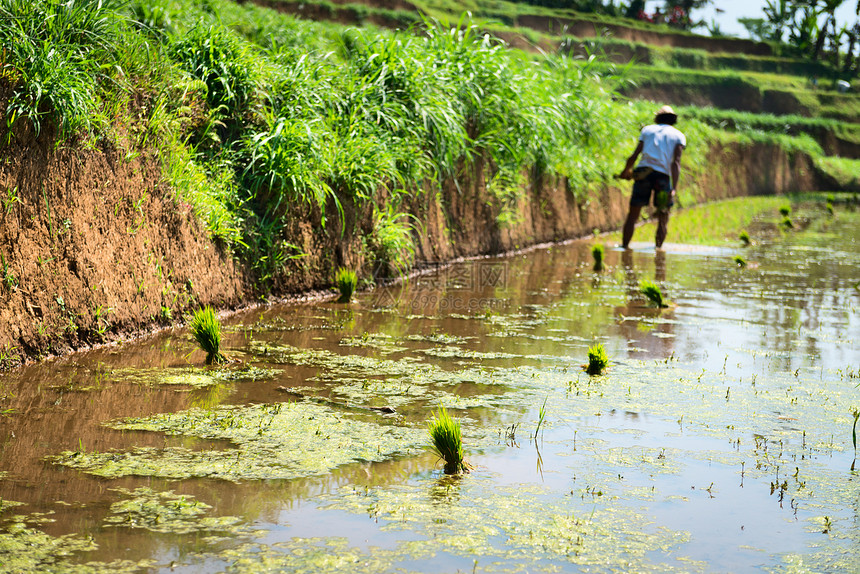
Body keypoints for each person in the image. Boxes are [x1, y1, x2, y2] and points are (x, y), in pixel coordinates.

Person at [619, 105, 686, 249]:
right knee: (663, 217)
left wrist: (626, 171)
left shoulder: (648, 130)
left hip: (643, 173)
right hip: (662, 177)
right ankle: (658, 250)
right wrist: (673, 188)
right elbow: (676, 162)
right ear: (673, 119)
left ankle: (624, 247)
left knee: (633, 215)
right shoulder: (678, 135)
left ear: (658, 118)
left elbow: (635, 155)